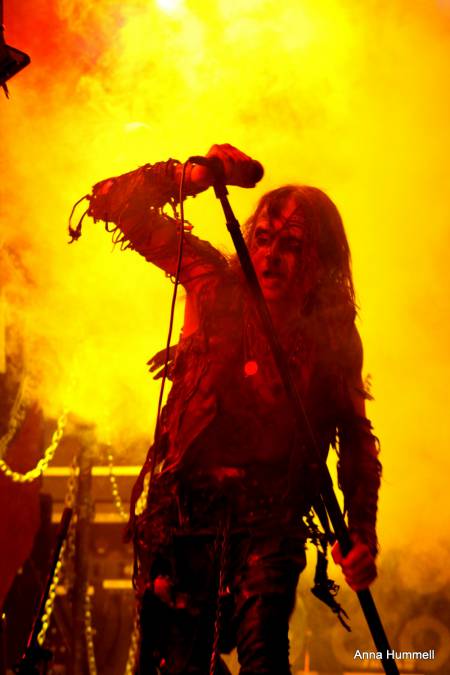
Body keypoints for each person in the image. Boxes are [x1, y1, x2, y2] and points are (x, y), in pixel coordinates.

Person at [84, 144, 381, 674]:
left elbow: (355, 436)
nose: (270, 256)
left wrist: (361, 534)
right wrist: (192, 176)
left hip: (270, 520)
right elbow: (110, 201)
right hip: (183, 519)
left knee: (264, 657)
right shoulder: (213, 283)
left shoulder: (333, 333)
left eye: (291, 245)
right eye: (262, 239)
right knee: (177, 664)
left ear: (320, 261)